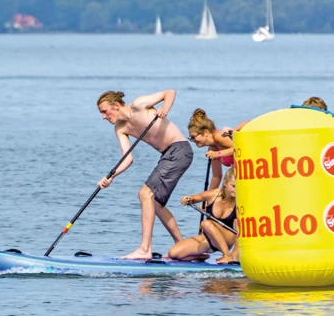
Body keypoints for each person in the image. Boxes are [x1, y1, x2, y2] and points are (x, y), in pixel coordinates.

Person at [94, 89, 192, 260]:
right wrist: (110, 177)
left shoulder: (139, 105)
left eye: (104, 111)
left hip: (179, 149)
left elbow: (170, 92)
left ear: (116, 106)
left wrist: (165, 109)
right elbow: (127, 158)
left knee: (145, 194)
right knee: (155, 204)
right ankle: (183, 248)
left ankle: (145, 248)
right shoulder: (120, 128)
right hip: (169, 154)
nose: (103, 117)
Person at [168, 174, 239, 264]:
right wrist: (187, 199)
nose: (236, 190)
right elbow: (194, 198)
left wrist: (234, 254)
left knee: (206, 223)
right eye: (233, 186)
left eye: (239, 187)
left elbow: (239, 232)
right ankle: (201, 256)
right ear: (225, 183)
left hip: (228, 239)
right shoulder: (213, 194)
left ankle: (226, 255)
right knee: (173, 253)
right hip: (208, 238)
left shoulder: (240, 201)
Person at [186, 108, 236, 190]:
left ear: (205, 132)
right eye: (191, 138)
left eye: (193, 137)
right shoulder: (212, 149)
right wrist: (207, 198)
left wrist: (218, 154)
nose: (193, 141)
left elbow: (239, 149)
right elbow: (216, 176)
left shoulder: (219, 136)